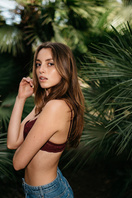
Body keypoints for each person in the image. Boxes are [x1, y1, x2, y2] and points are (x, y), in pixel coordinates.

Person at [7, 42, 84, 198]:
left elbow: (18, 163)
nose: (41, 69)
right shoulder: (46, 104)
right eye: (38, 64)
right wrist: (20, 98)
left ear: (65, 68)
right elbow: (12, 142)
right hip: (41, 189)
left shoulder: (56, 107)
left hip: (47, 193)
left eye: (50, 64)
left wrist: (22, 149)